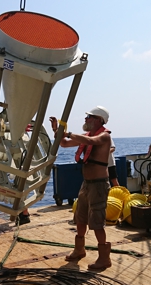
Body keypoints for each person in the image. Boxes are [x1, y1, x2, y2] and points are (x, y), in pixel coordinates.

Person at [49, 105, 113, 270]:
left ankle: (104, 259)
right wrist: (57, 130)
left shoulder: (104, 137)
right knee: (80, 217)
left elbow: (91, 141)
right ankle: (79, 250)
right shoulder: (86, 136)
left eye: (89, 117)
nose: (85, 119)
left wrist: (69, 133)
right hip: (86, 184)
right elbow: (63, 143)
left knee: (97, 221)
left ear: (99, 120)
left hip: (99, 185)